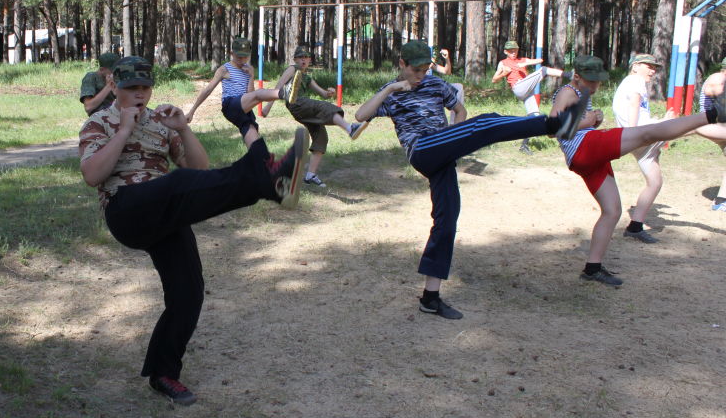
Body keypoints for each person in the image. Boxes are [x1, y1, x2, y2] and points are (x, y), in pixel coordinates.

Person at [79, 56, 309, 405]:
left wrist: (182, 128)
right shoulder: (99, 123)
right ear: (113, 87)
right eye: (131, 88)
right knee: (178, 181)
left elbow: (200, 171)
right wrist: (124, 129)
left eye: (145, 87)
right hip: (126, 209)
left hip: (166, 209)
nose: (140, 94)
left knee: (188, 292)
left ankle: (163, 373)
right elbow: (92, 175)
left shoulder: (160, 122)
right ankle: (267, 177)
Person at [355, 40, 590, 319]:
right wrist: (391, 88)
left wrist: (455, 138)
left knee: (446, 218)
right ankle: (554, 124)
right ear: (402, 64)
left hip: (444, 150)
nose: (420, 75)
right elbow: (361, 115)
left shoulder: (436, 84)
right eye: (415, 70)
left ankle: (430, 297)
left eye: (425, 69)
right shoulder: (392, 92)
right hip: (422, 150)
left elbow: (460, 111)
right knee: (486, 122)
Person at [550, 55, 725, 287]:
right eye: (590, 81)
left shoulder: (581, 93)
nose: (595, 86)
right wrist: (588, 121)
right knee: (648, 133)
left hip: (586, 157)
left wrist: (593, 120)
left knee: (612, 211)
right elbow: (553, 129)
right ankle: (712, 115)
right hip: (585, 148)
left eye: (598, 81)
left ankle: (592, 269)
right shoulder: (568, 92)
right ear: (577, 77)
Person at [268, 45, 368, 188]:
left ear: (310, 60)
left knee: (321, 136)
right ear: (295, 59)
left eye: (306, 57)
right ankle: (350, 128)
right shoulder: (292, 69)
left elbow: (323, 94)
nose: (303, 60)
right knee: (324, 108)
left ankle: (310, 175)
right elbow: (278, 87)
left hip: (302, 109)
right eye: (300, 57)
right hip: (296, 103)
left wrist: (330, 92)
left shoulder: (307, 77)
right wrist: (267, 106)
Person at [185, 37, 287, 147]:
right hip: (231, 105)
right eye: (239, 56)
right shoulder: (224, 69)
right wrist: (192, 111)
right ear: (232, 53)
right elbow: (208, 90)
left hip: (244, 108)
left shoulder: (248, 69)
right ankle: (284, 93)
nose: (242, 60)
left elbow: (250, 95)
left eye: (245, 57)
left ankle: (258, 156)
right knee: (259, 93)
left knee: (252, 132)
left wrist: (251, 76)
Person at [612, 53, 667, 242]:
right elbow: (634, 104)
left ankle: (635, 227)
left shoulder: (628, 82)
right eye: (648, 66)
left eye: (654, 68)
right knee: (695, 126)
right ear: (635, 66)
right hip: (642, 134)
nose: (652, 71)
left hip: (639, 137)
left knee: (655, 182)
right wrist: (634, 132)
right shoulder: (636, 80)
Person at [491, 40, 564, 153]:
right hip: (519, 87)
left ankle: (524, 145)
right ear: (506, 52)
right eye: (511, 51)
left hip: (527, 90)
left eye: (515, 50)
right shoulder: (503, 63)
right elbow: (494, 80)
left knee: (535, 117)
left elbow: (540, 60)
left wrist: (525, 63)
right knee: (543, 70)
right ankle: (570, 75)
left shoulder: (522, 60)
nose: (513, 53)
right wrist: (504, 73)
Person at [695, 57, 726, 211]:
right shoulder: (718, 77)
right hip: (713, 125)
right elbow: (711, 91)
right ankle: (720, 201)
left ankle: (721, 200)